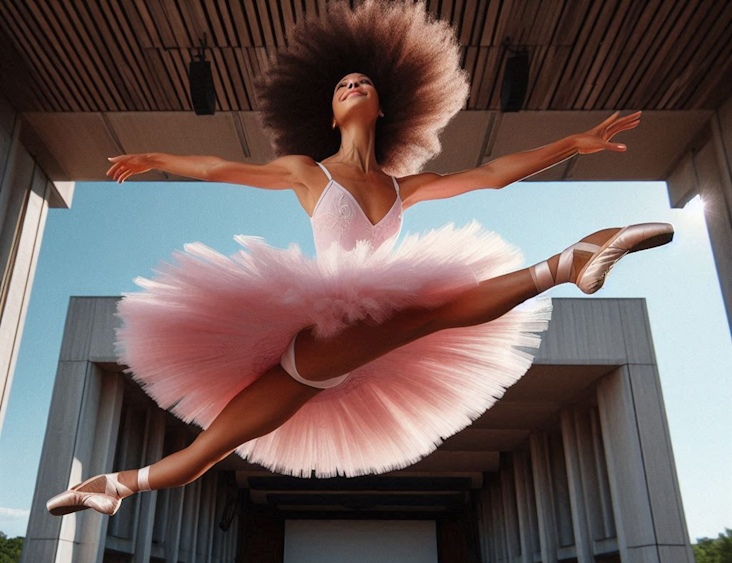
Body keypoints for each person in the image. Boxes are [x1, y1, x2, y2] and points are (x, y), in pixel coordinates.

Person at [46, 0, 672, 516]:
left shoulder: (407, 187)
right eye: (343, 85)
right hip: (324, 328)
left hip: (347, 348)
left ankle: (115, 483)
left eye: (362, 83)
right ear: (331, 109)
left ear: (381, 108)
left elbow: (491, 174)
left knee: (223, 439)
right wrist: (160, 159)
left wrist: (574, 143)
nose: (351, 86)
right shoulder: (307, 172)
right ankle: (568, 262)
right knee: (219, 442)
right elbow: (218, 167)